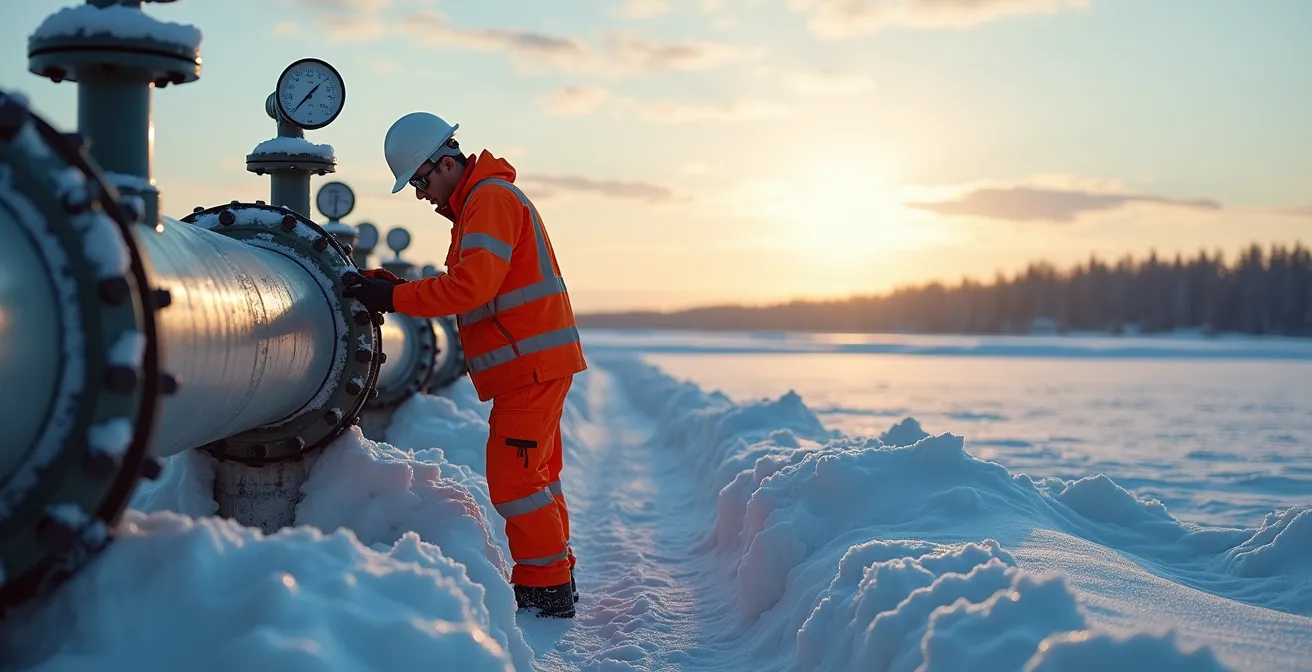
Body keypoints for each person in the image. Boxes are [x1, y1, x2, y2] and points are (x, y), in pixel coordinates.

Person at [343, 111, 587, 619]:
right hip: (535, 364)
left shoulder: (489, 201)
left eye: (419, 181)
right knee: (537, 477)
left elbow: (470, 288)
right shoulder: (482, 201)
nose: (419, 194)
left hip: (531, 366)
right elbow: (477, 288)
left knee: (516, 482)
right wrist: (396, 288)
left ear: (445, 162)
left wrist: (394, 297)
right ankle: (555, 573)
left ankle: (546, 591)